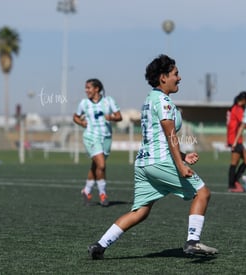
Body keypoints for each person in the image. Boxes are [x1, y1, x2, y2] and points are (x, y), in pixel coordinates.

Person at [87, 54, 218, 260]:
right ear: (163, 77)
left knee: (139, 211)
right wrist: (180, 165)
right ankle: (193, 241)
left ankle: (100, 245)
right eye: (176, 74)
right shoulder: (164, 102)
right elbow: (170, 134)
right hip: (160, 162)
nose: (180, 78)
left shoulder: (149, 99)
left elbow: (158, 137)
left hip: (144, 163)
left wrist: (183, 155)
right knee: (202, 193)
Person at [73, 78, 122, 206]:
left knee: (96, 166)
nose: (86, 90)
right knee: (101, 165)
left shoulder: (108, 101)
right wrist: (81, 122)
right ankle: (103, 194)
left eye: (88, 88)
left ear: (97, 89)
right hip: (91, 137)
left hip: (106, 137)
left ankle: (87, 190)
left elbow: (119, 116)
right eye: (86, 88)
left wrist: (111, 117)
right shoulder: (84, 103)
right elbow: (75, 117)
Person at [226, 91, 246, 192]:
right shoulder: (238, 109)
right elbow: (244, 123)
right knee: (235, 162)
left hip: (234, 138)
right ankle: (232, 184)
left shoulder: (233, 108)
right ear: (244, 100)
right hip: (235, 139)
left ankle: (234, 182)